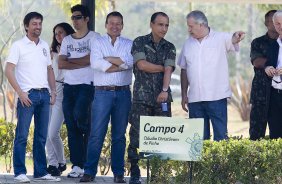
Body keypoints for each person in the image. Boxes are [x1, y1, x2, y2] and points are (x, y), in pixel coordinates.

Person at [5, 12, 60, 182]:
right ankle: (20, 172)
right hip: (27, 95)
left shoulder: (44, 45)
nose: (38, 27)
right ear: (27, 26)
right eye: (34, 24)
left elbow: (49, 70)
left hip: (44, 95)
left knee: (41, 136)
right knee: (22, 135)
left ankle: (40, 172)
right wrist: (20, 93)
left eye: (40, 23)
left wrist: (53, 91)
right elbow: (8, 70)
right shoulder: (18, 46)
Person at [79, 11, 133, 183]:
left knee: (119, 135)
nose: (115, 26)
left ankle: (118, 174)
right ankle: (89, 172)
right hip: (102, 93)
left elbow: (130, 63)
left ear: (122, 26)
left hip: (123, 93)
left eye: (118, 23)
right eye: (111, 23)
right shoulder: (97, 42)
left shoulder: (129, 43)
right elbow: (96, 63)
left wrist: (108, 59)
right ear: (106, 24)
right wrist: (119, 64)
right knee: (96, 134)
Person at [178, 10, 245, 141]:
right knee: (198, 141)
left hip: (217, 98)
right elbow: (184, 70)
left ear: (201, 25)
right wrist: (184, 94)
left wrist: (236, 37)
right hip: (195, 100)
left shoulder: (220, 38)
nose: (189, 29)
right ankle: (201, 163)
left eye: (191, 26)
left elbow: (233, 39)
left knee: (220, 138)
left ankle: (219, 163)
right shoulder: (187, 44)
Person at [127, 12, 176, 184]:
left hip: (162, 98)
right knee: (136, 136)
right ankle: (134, 173)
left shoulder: (170, 46)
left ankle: (157, 175)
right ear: (152, 24)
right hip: (141, 98)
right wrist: (162, 67)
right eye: (160, 24)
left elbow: (169, 70)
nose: (164, 28)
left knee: (162, 137)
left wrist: (164, 90)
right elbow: (142, 65)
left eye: (167, 25)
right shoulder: (139, 42)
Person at [58, 4, 100, 178]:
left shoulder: (95, 38)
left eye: (78, 17)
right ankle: (77, 166)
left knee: (80, 118)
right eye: (73, 18)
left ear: (86, 19)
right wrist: (82, 60)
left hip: (87, 85)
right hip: (69, 86)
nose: (75, 21)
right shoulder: (67, 40)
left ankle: (87, 159)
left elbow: (92, 60)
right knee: (72, 127)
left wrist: (72, 60)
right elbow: (61, 63)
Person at [46, 22, 75, 176]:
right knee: (46, 132)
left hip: (63, 90)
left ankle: (62, 161)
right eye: (56, 33)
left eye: (61, 32)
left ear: (68, 33)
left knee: (53, 132)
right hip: (49, 90)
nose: (58, 36)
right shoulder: (50, 52)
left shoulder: (72, 51)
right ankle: (53, 164)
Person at [249, 10, 278, 140]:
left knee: (278, 135)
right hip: (261, 94)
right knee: (256, 134)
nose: (278, 24)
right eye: (274, 21)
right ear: (266, 23)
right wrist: (267, 66)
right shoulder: (258, 42)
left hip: (279, 95)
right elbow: (256, 60)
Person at [264, 10, 282, 139]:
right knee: (275, 135)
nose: (280, 27)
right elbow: (266, 64)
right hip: (274, 95)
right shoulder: (272, 46)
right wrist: (267, 68)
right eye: (277, 24)